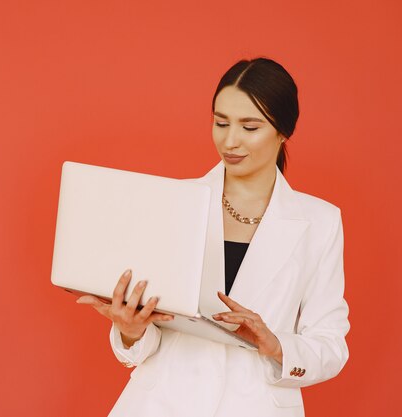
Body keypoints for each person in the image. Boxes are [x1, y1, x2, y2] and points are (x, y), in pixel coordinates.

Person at [77, 57, 350, 417]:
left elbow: (331, 346)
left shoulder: (321, 222)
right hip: (160, 404)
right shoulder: (174, 202)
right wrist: (130, 330)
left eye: (249, 127)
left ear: (283, 131)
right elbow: (145, 341)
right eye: (221, 123)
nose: (230, 140)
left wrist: (276, 343)